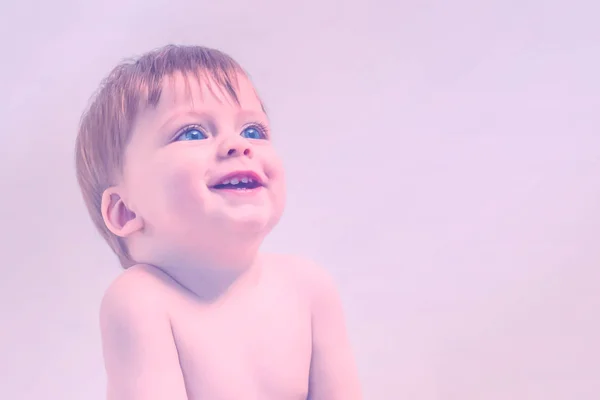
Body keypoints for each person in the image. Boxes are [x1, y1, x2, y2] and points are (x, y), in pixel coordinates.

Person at [74, 44, 361, 400]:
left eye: (254, 131)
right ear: (125, 210)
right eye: (193, 133)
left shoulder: (309, 288)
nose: (238, 145)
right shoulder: (141, 300)